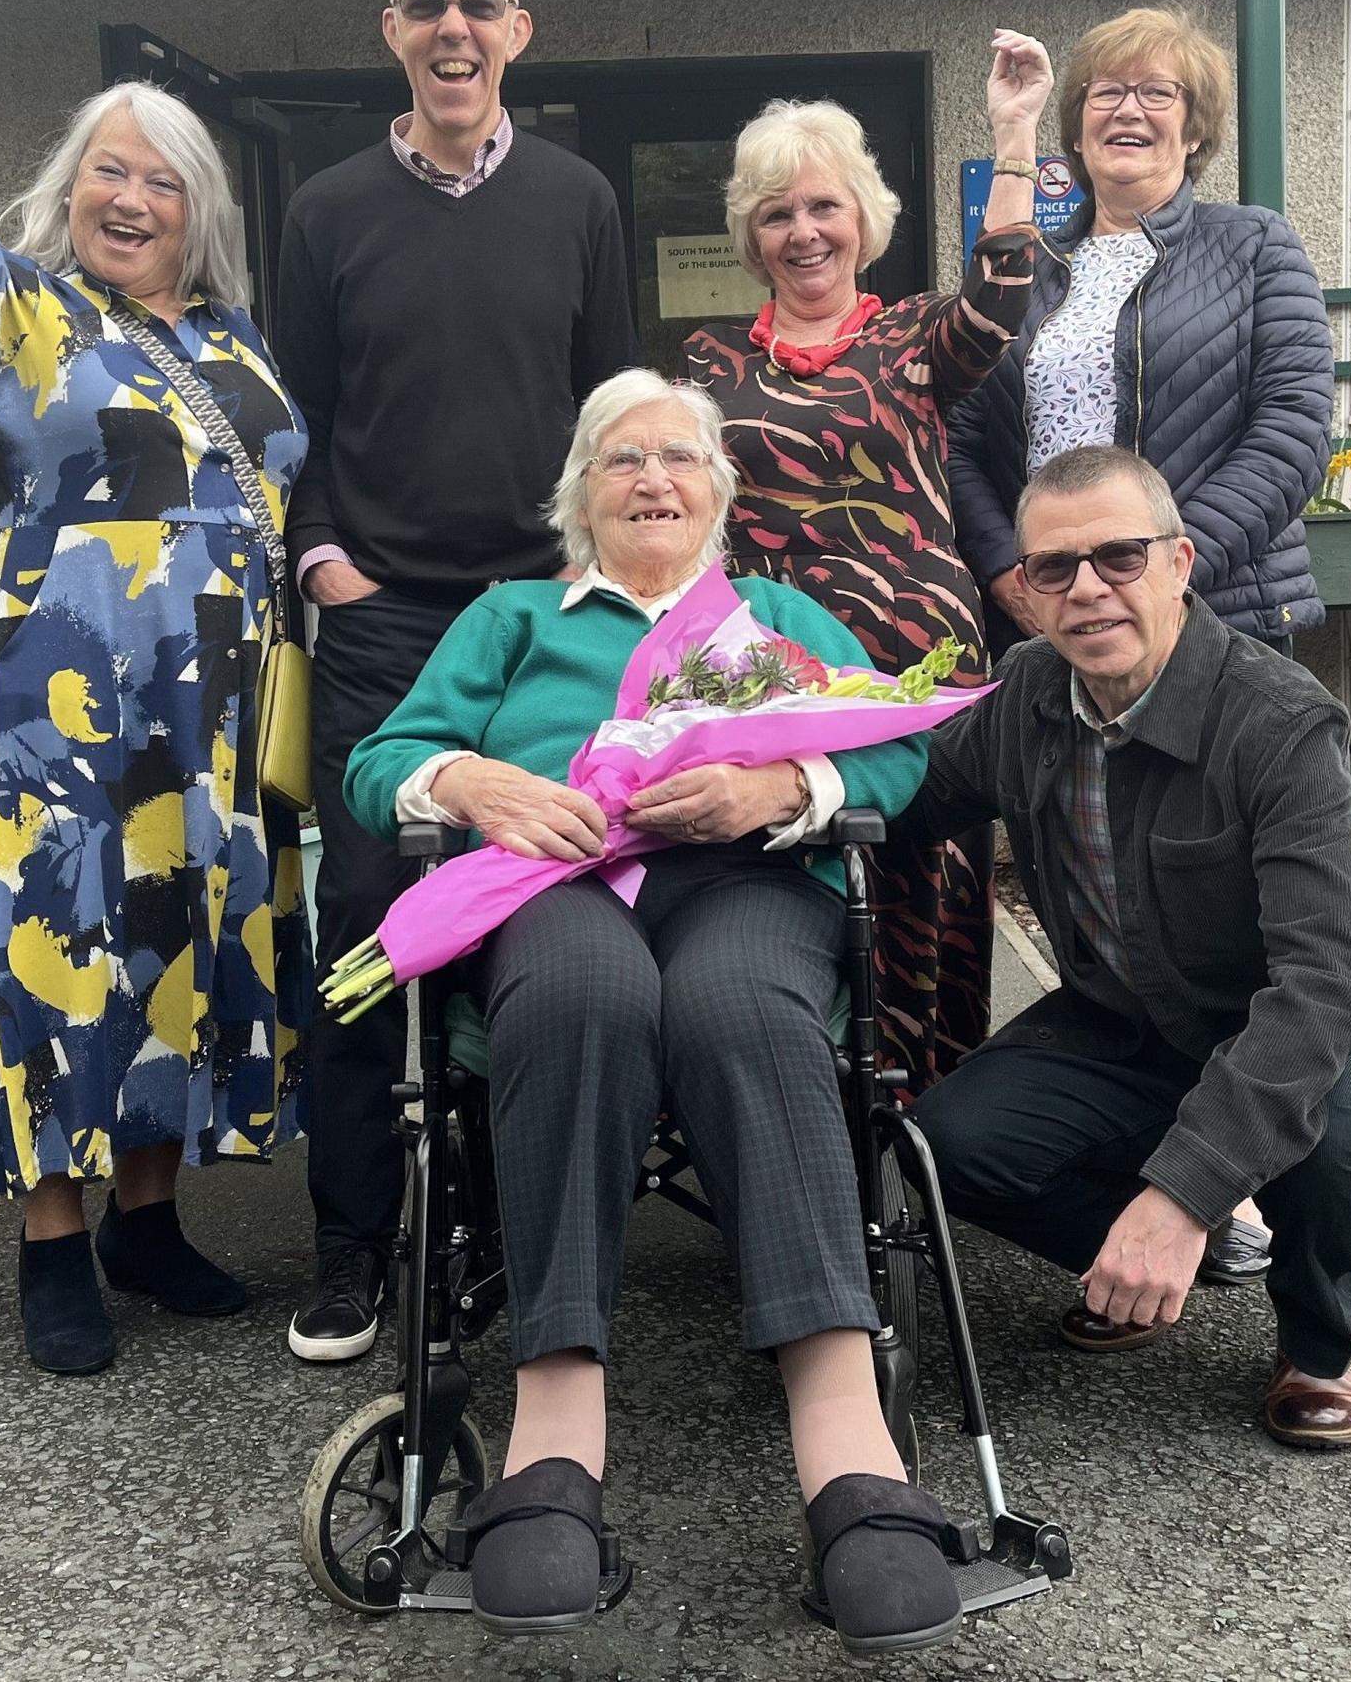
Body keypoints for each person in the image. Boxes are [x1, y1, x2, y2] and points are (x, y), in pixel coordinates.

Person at [344, 371, 964, 1652]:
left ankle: (848, 1446)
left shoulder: (777, 613)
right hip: (552, 882)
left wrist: (780, 782)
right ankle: (554, 1432)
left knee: (739, 1005)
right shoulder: (513, 616)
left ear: (718, 494)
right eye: (621, 458)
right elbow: (377, 763)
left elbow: (896, 747)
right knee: (584, 989)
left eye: (679, 456)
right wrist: (478, 782)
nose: (652, 478)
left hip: (743, 881)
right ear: (580, 492)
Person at [0, 0, 310, 1375]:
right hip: (61, 707)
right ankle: (53, 1236)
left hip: (217, 710)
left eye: (162, 180)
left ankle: (149, 1218)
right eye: (109, 172)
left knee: (182, 936)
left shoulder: (237, 345)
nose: (131, 198)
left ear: (199, 210)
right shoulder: (24, 314)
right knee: (68, 941)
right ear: (70, 187)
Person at [909, 446, 1351, 1449]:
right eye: (1052, 567)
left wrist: (1180, 1190)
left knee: (1346, 1127)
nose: (1086, 587)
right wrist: (783, 789)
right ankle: (1159, 1255)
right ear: (1025, 590)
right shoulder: (1027, 692)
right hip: (1121, 1022)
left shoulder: (1277, 720)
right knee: (947, 1145)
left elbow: (1331, 979)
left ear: (1179, 561)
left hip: (1285, 1028)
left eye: (1118, 555)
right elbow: (911, 789)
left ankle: (1316, 1340)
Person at [276, 0, 640, 1365]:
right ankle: (355, 1238)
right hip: (384, 624)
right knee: (366, 929)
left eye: (477, 6)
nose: (452, 30)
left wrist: (591, 574)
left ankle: (491, 1217)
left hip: (534, 617)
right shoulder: (327, 211)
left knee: (525, 908)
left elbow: (611, 403)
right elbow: (292, 420)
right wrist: (326, 566)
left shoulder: (578, 198)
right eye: (425, 5)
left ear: (518, 30)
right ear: (390, 30)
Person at [683, 44, 1045, 1087]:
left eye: (822, 207)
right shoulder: (711, 364)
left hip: (917, 670)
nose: (803, 231)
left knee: (920, 878)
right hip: (780, 672)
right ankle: (804, 1104)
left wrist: (1014, 134)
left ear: (862, 219)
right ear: (752, 238)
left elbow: (1006, 286)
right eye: (776, 214)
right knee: (792, 879)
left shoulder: (918, 336)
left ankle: (926, 1120)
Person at [947, 5, 1334, 659]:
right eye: (1107, 92)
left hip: (1216, 615)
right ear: (1077, 128)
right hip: (1050, 622)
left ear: (1193, 131)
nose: (1129, 109)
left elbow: (1293, 430)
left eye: (1157, 92)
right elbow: (960, 439)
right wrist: (1005, 569)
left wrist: (1165, 573)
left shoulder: (1255, 245)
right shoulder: (1029, 269)